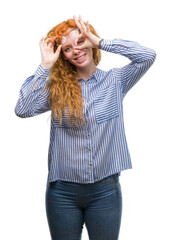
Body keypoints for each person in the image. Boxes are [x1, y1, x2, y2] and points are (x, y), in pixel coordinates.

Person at [14, 15, 156, 240]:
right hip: (62, 192)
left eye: (80, 42)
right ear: (63, 54)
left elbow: (147, 56)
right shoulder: (55, 88)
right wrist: (45, 65)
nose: (76, 51)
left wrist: (100, 41)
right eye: (68, 48)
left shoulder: (116, 80)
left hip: (105, 191)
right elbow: (23, 109)